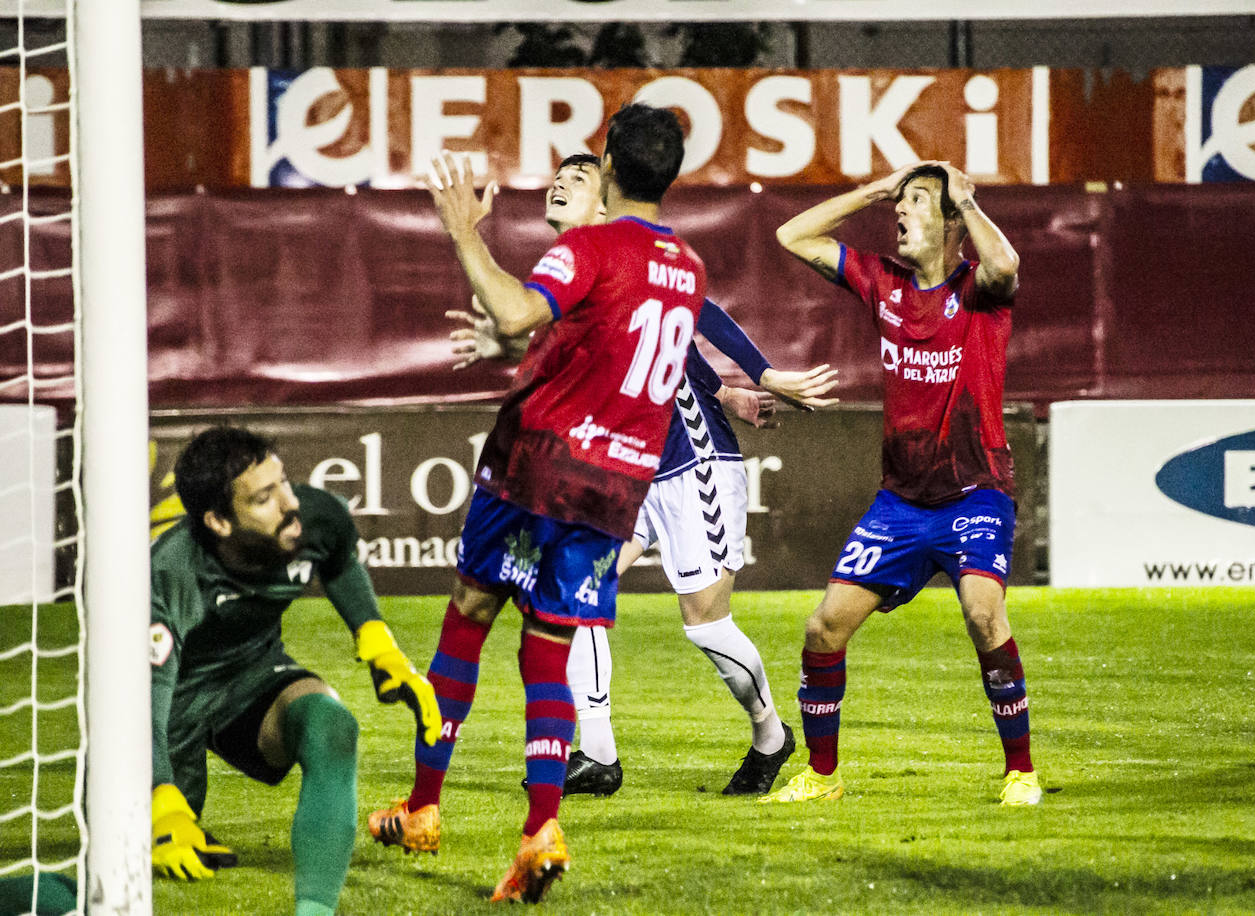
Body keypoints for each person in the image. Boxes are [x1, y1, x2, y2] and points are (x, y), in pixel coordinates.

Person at [367, 103, 704, 904]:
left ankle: (421, 810)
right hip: (615, 485)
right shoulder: (689, 267)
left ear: (612, 167)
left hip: (538, 465)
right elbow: (595, 342)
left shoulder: (591, 246)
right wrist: (519, 346)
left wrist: (461, 232)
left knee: (468, 617)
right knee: (548, 646)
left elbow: (521, 308)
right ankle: (539, 830)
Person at [446, 156, 839, 800]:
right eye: (560, 176)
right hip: (624, 471)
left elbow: (697, 315)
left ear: (605, 207)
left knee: (706, 624)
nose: (561, 182)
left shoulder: (627, 257)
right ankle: (597, 755)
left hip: (689, 461)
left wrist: (757, 380)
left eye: (579, 178)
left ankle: (770, 734)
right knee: (571, 593)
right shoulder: (578, 273)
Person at [759, 160, 1041, 807]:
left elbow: (1008, 265)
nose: (901, 211)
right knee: (823, 628)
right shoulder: (882, 282)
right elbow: (790, 237)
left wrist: (966, 205)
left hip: (977, 491)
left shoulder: (979, 289)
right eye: (901, 201)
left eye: (917, 202)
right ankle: (822, 777)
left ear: (950, 222)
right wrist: (869, 191)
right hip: (901, 504)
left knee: (982, 610)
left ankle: (1020, 772)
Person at [149, 425, 440, 916]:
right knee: (165, 848)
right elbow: (141, 706)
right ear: (219, 521)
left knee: (332, 727)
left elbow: (339, 561)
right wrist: (159, 798)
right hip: (173, 701)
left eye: (283, 481)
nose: (289, 503)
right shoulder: (169, 574)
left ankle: (315, 911)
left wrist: (378, 642)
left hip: (253, 677)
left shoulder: (314, 517)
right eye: (265, 497)